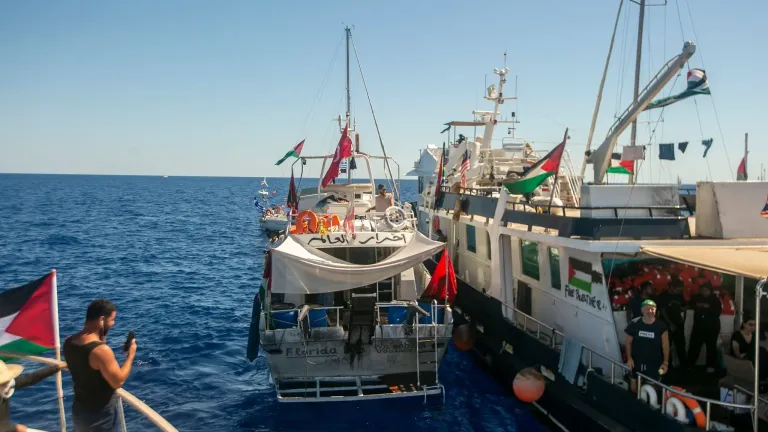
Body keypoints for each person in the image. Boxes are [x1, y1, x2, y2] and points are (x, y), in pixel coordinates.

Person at [64, 299, 137, 432]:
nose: (113, 323)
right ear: (102, 320)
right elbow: (118, 381)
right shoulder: (101, 351)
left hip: (80, 411)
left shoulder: (69, 342)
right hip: (101, 417)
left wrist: (102, 338)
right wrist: (130, 355)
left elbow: (87, 365)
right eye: (112, 319)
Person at [0, 360, 63, 432]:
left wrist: (57, 367)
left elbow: (30, 378)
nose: (8, 382)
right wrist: (14, 428)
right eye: (4, 381)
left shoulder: (6, 386)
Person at [625, 299, 670, 393]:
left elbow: (665, 345)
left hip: (654, 364)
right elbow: (628, 342)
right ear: (642, 310)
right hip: (636, 363)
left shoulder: (661, 326)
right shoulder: (634, 323)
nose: (650, 311)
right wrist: (629, 358)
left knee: (652, 391)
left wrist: (665, 362)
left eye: (652, 309)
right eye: (647, 309)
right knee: (634, 389)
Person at [687, 283, 722, 373]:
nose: (704, 292)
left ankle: (711, 365)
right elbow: (690, 304)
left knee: (711, 347)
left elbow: (717, 312)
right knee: (694, 346)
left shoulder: (715, 300)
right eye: (702, 291)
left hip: (711, 327)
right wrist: (699, 305)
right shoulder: (697, 297)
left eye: (706, 291)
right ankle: (689, 365)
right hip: (699, 326)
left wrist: (707, 307)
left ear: (710, 291)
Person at [657, 278, 687, 367]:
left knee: (681, 346)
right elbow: (662, 311)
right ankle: (666, 367)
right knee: (666, 347)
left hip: (678, 323)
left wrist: (683, 318)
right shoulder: (663, 295)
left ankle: (684, 367)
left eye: (680, 289)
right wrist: (670, 324)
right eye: (677, 289)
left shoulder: (679, 295)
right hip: (666, 324)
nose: (679, 291)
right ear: (671, 287)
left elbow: (683, 307)